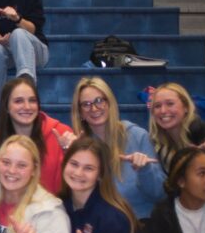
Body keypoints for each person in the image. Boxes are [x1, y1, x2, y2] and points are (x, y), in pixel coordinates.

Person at [70, 77, 164, 219]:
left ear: (109, 103)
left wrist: (144, 171)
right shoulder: (80, 146)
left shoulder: (138, 136)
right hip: (99, 227)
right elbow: (76, 202)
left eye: (99, 101)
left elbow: (159, 194)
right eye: (86, 104)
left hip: (139, 223)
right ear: (80, 113)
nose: (94, 108)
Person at [0, 77, 74, 193]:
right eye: (18, 101)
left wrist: (71, 153)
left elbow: (76, 183)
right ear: (6, 107)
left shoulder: (62, 134)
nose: (27, 107)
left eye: (32, 100)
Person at [148, 82, 205, 191]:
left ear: (186, 107)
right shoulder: (154, 145)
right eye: (157, 106)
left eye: (170, 104)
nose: (163, 111)